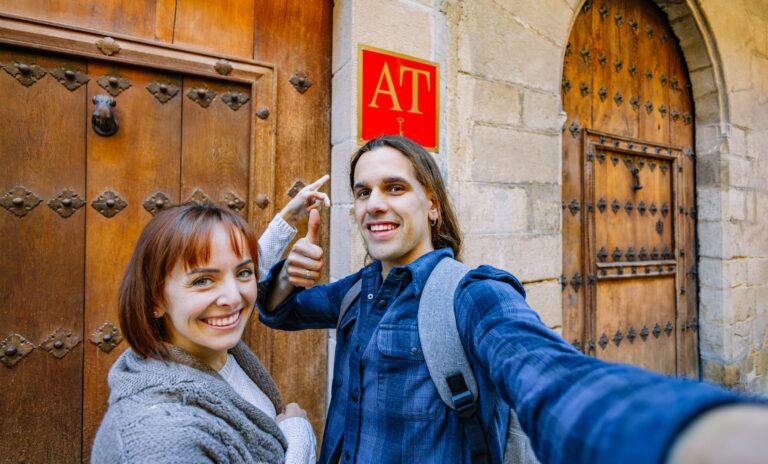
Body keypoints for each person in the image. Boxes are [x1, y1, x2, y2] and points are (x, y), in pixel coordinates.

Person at [258, 135, 768, 464]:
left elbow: (548, 373)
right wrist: (287, 273)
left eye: (395, 188)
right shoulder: (356, 291)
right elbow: (277, 311)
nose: (375, 205)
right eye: (363, 192)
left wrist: (690, 436)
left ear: (431, 205)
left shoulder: (473, 295)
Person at [91, 182, 330, 463]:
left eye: (243, 273)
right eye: (203, 281)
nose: (233, 297)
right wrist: (299, 435)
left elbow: (245, 270)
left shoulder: (206, 347)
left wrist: (288, 220)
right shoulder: (159, 439)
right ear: (156, 300)